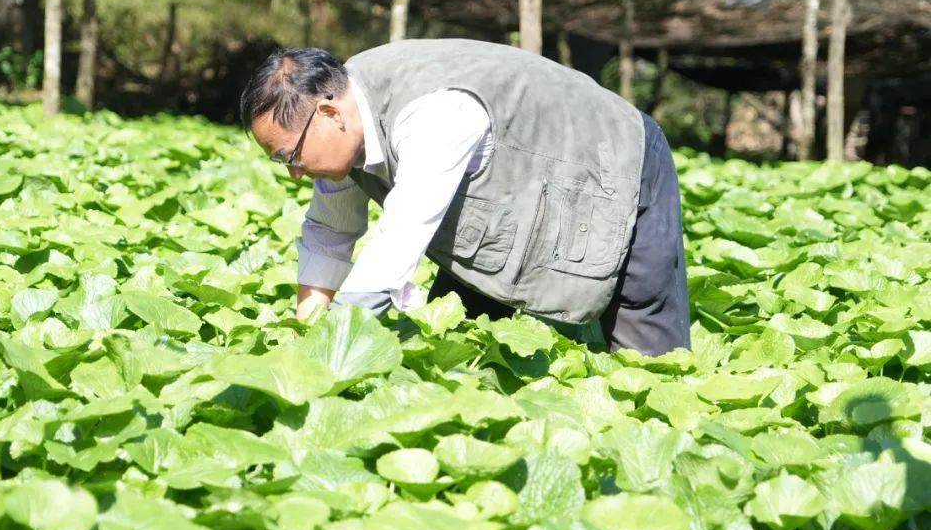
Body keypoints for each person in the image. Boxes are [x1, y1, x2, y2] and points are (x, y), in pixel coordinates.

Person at [239, 39, 689, 356]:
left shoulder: (433, 113)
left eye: (289, 156)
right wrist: (306, 331)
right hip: (502, 205)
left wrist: (332, 348)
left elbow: (400, 237)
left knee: (644, 325)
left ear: (330, 113)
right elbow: (330, 230)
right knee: (456, 349)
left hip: (613, 157)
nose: (295, 173)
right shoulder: (344, 120)